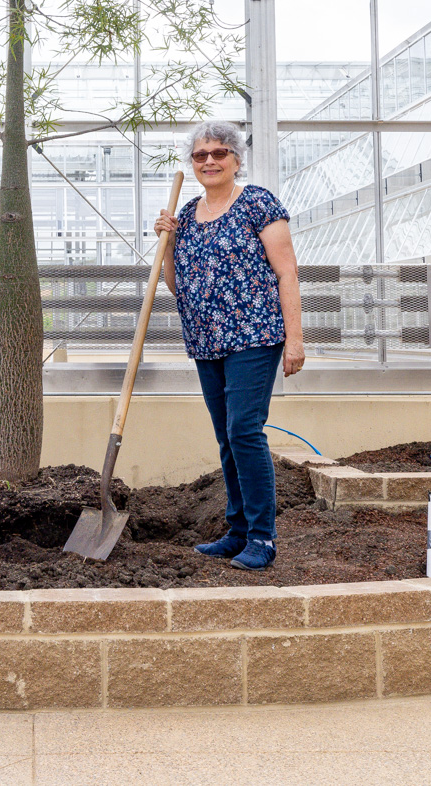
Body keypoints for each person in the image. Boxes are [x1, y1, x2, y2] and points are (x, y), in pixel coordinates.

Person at [154, 120, 305, 571]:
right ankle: (237, 530)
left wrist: (295, 339)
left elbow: (287, 273)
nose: (210, 161)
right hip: (206, 340)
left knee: (243, 431)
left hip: (254, 335)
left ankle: (262, 536)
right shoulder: (187, 216)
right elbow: (176, 286)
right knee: (226, 437)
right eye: (201, 156)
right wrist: (168, 243)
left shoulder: (256, 202)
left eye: (219, 153)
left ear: (236, 159)